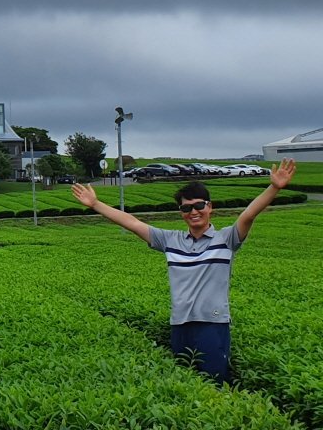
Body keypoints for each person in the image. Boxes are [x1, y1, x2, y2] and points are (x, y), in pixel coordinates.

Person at [71, 158, 297, 384]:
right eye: (186, 208)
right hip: (179, 324)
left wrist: (274, 187)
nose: (193, 212)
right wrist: (95, 204)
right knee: (185, 383)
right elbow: (132, 223)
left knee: (215, 383)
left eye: (199, 205)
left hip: (213, 324)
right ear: (181, 212)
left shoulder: (226, 239)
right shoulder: (171, 240)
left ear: (209, 207)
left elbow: (248, 215)